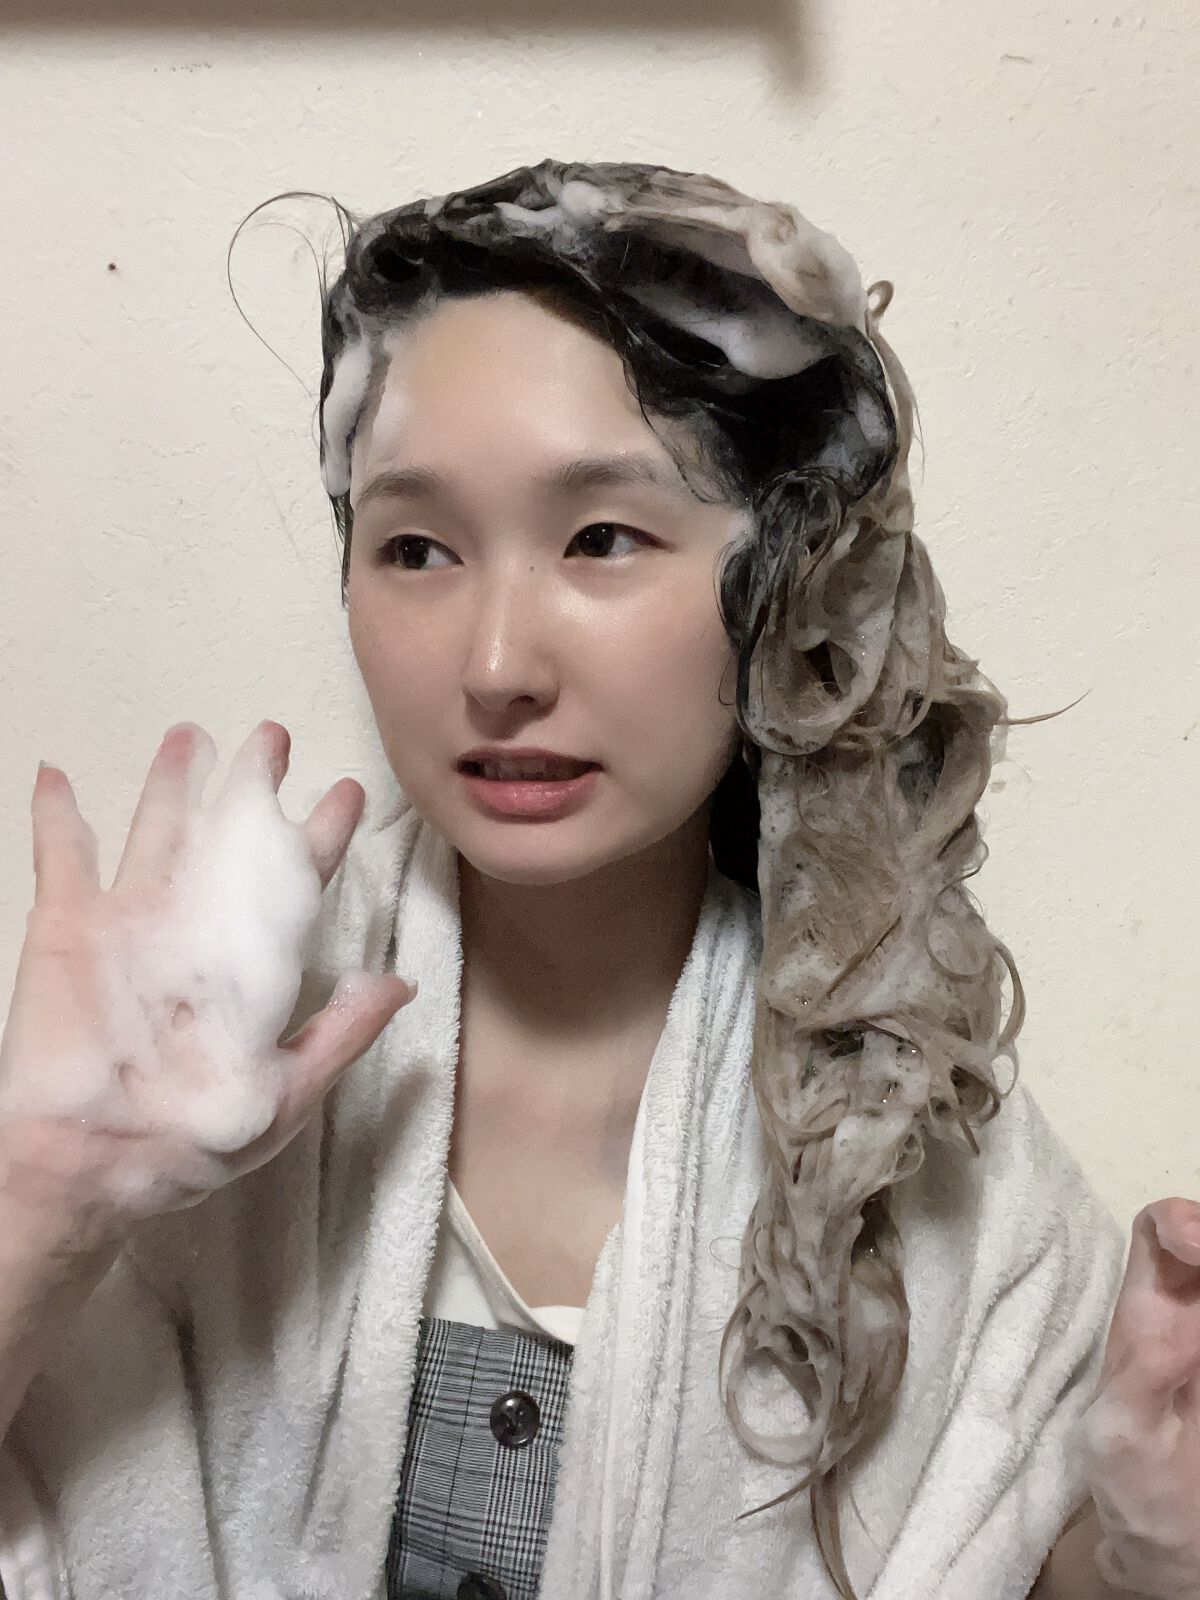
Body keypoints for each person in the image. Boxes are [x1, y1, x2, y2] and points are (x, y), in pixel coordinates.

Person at [0, 159, 1193, 1600]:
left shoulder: (905, 1132)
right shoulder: (193, 1064)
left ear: (788, 590)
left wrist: (1145, 1546)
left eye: (602, 539)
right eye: (416, 548)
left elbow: (1006, 1560)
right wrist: (39, 1206)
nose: (498, 665)